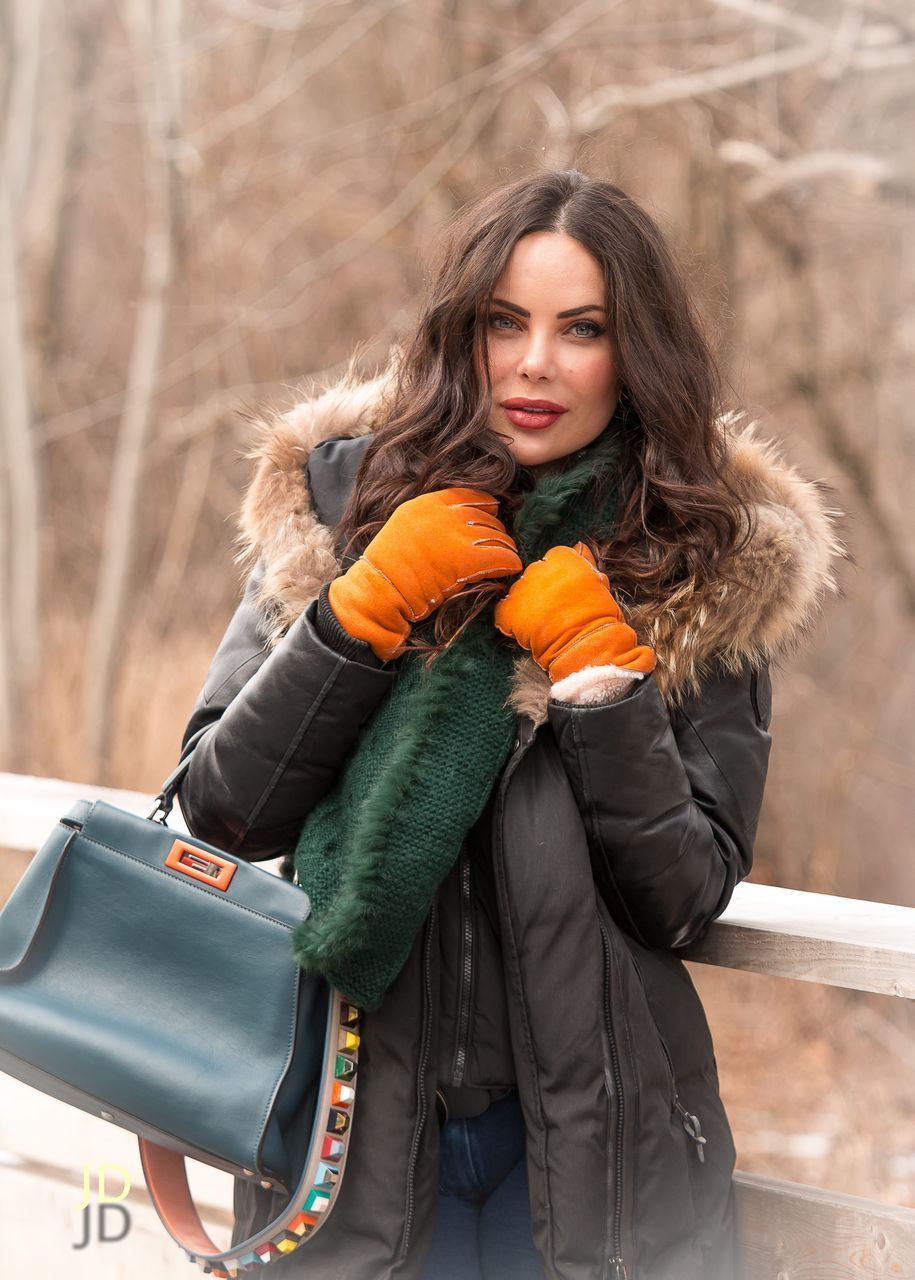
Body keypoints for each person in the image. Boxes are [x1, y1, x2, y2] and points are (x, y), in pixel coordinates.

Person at [176, 169, 845, 1280]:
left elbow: (685, 892)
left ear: (634, 354)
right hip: (355, 1134)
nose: (535, 364)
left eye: (582, 329)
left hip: (603, 1158)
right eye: (505, 322)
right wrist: (358, 618)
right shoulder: (343, 512)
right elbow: (219, 810)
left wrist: (601, 681)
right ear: (460, 333)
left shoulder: (699, 558)